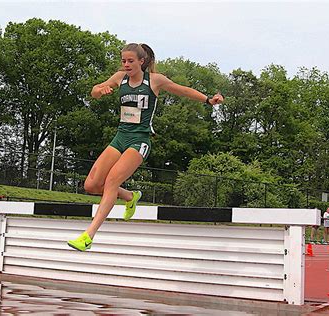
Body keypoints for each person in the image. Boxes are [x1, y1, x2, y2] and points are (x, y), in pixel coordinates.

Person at [68, 43, 223, 251]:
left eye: (130, 61)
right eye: (123, 61)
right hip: (120, 137)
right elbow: (94, 91)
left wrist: (208, 100)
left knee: (112, 180)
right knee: (92, 185)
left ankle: (88, 236)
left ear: (142, 61)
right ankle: (130, 197)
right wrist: (100, 90)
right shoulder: (119, 77)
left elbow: (182, 90)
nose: (126, 64)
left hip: (139, 141)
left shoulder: (154, 80)